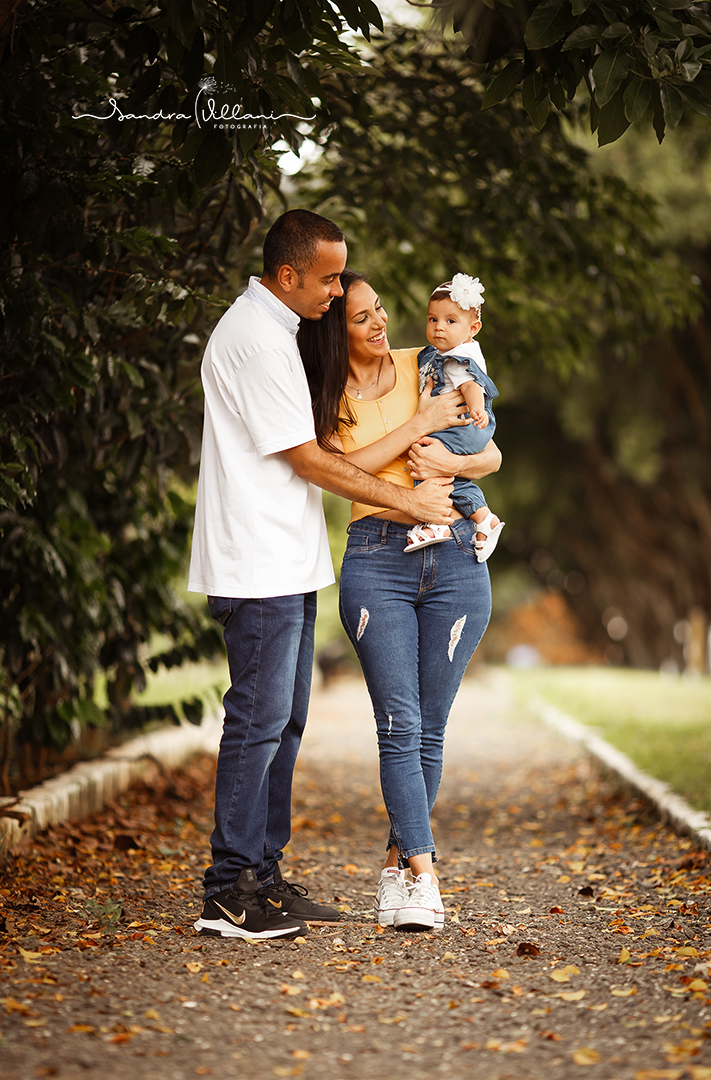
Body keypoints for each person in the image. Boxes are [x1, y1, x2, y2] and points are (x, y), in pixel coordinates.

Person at [187, 210, 457, 942]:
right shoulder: (254, 339)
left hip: (286, 560)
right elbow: (309, 460)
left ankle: (263, 873)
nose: (338, 292)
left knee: (285, 722)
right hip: (256, 562)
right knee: (257, 723)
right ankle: (229, 891)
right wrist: (409, 502)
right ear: (287, 275)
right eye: (330, 278)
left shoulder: (278, 334)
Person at [297, 269, 501, 932]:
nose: (380, 323)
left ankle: (396, 867)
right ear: (336, 331)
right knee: (398, 724)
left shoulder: (429, 360)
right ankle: (424, 874)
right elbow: (339, 474)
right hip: (376, 560)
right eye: (361, 317)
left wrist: (449, 465)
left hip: (455, 557)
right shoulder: (325, 394)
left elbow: (491, 454)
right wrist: (419, 424)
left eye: (380, 308)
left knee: (430, 729)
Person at [404, 273, 505, 560]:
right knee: (454, 480)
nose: (439, 327)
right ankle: (485, 518)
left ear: (473, 328)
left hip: (463, 423)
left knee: (424, 458)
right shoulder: (455, 350)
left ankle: (436, 521)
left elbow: (470, 385)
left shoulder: (456, 358)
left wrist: (476, 409)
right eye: (432, 319)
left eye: (450, 321)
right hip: (466, 422)